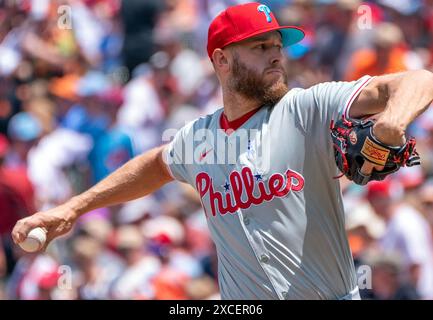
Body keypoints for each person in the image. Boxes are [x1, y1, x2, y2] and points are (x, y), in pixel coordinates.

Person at [11, 2, 433, 300]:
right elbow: (155, 165)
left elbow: (419, 79)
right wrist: (73, 208)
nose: (275, 57)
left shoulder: (306, 107)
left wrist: (391, 120)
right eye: (259, 47)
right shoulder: (200, 137)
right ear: (222, 60)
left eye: (276, 45)